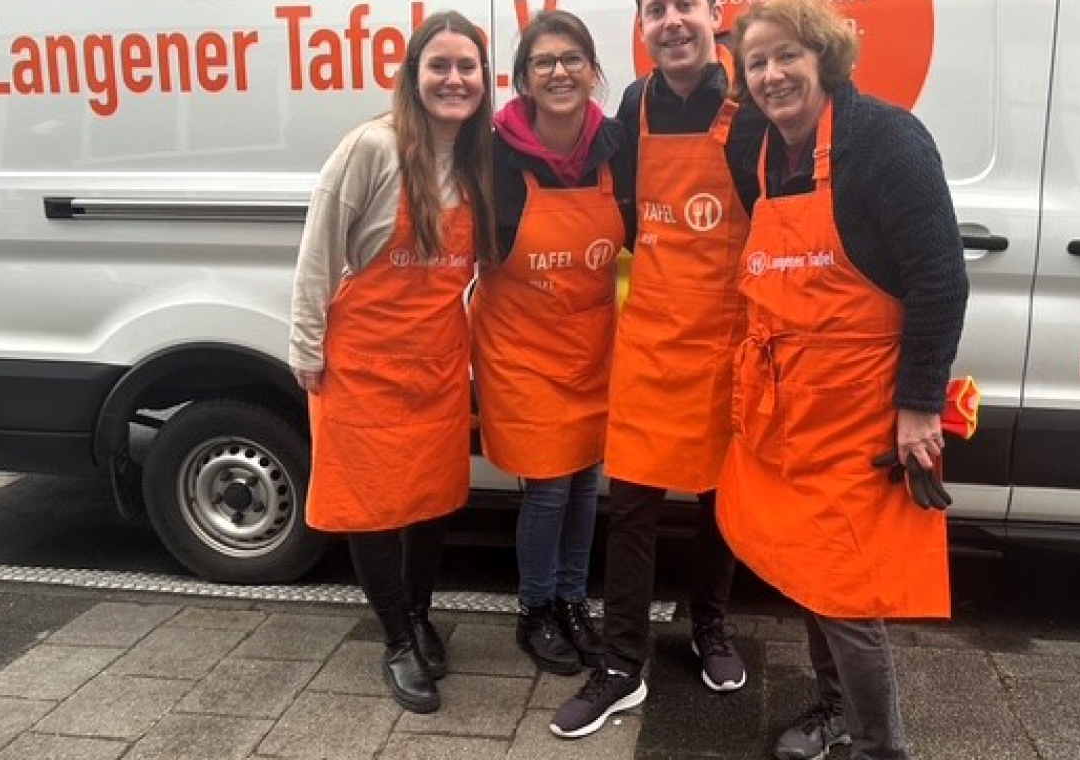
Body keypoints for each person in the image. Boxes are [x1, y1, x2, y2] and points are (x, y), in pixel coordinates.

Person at [717, 1, 969, 758]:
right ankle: (829, 712)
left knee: (848, 595)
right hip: (784, 413)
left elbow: (940, 280)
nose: (771, 75)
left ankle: (879, 747)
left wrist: (920, 405)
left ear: (826, 57)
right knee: (805, 570)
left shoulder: (886, 141)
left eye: (786, 55)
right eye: (756, 62)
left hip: (862, 416)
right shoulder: (757, 147)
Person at [550, 0, 766, 739]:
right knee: (633, 507)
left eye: (685, 6)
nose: (671, 22)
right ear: (642, 27)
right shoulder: (637, 103)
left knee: (720, 502)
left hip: (726, 337)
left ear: (716, 15)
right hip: (649, 336)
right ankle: (620, 667)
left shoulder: (754, 102)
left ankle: (710, 629)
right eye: (654, 10)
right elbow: (605, 195)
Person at [287, 11, 496, 715]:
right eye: (439, 65)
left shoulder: (475, 158)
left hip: (435, 365)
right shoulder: (372, 147)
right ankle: (398, 639)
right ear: (413, 76)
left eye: (466, 67)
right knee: (373, 508)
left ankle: (421, 612)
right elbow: (319, 249)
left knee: (430, 503)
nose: (454, 79)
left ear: (482, 81)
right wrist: (305, 347)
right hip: (363, 366)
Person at [472, 10, 635, 675]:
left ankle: (573, 602)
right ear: (523, 80)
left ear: (593, 72)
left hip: (594, 344)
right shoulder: (492, 151)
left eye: (572, 59)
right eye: (544, 62)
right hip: (519, 349)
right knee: (545, 488)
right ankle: (535, 609)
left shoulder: (618, 145)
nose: (560, 71)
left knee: (584, 481)